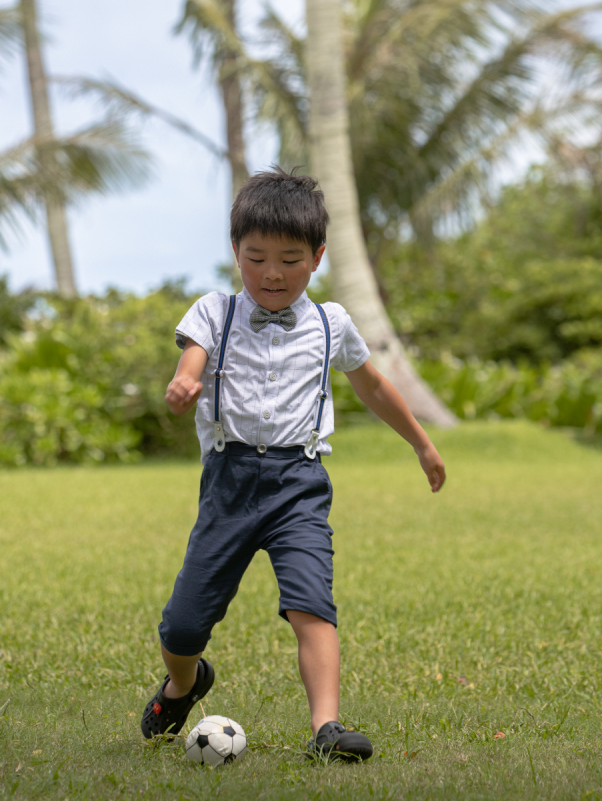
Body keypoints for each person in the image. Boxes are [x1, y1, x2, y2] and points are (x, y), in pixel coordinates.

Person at [141, 168, 446, 762]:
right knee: (181, 628)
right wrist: (184, 383)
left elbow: (374, 386)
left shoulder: (332, 323)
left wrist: (421, 443)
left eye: (289, 259)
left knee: (312, 604)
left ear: (318, 256)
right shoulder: (214, 311)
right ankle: (184, 684)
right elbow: (192, 362)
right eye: (255, 258)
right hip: (228, 485)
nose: (272, 273)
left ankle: (327, 729)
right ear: (235, 252)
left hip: (299, 486)